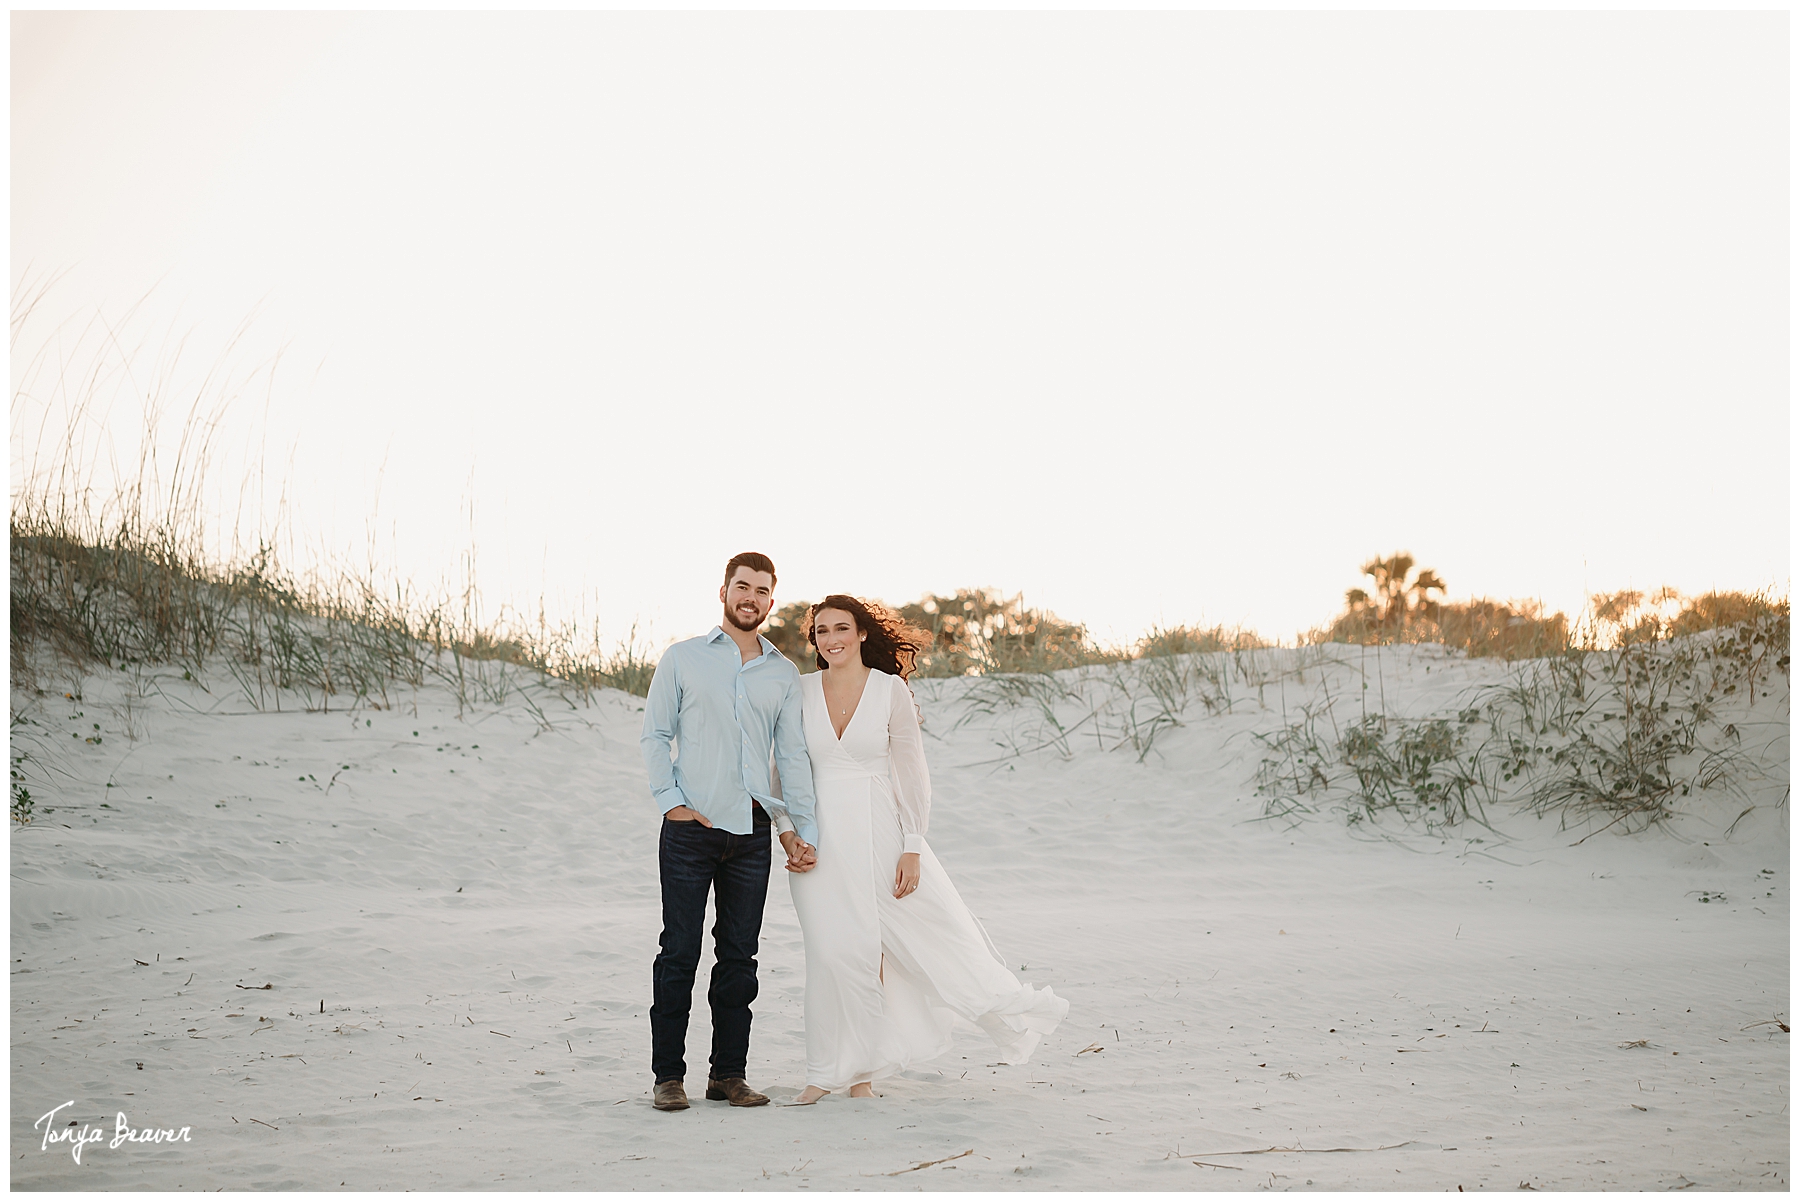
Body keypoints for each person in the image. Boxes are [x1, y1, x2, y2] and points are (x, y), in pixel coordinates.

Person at [779, 594, 1068, 1104]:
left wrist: (912, 845)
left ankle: (860, 1076)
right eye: (821, 632)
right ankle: (823, 1070)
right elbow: (779, 768)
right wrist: (786, 830)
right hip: (816, 839)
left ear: (862, 633)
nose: (832, 639)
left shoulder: (890, 691)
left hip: (879, 830)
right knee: (829, 954)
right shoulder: (797, 691)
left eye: (841, 628)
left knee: (875, 953)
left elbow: (912, 774)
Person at [639, 552, 820, 1113]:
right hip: (691, 832)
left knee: (740, 958)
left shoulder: (782, 674)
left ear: (772, 600)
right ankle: (669, 1077)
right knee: (679, 953)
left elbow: (790, 757)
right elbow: (654, 735)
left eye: (762, 590)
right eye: (742, 586)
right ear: (723, 592)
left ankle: (728, 1076)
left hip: (752, 836)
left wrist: (799, 829)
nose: (752, 597)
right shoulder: (683, 658)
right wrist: (672, 804)